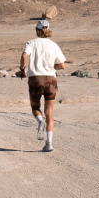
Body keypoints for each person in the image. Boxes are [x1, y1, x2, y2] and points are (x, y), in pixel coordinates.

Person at [18, 20, 66, 152]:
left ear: (37, 30)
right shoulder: (54, 45)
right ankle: (49, 143)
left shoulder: (31, 43)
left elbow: (24, 55)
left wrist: (22, 69)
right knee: (49, 112)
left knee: (35, 107)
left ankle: (40, 122)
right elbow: (62, 65)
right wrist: (51, 67)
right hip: (51, 79)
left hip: (35, 79)